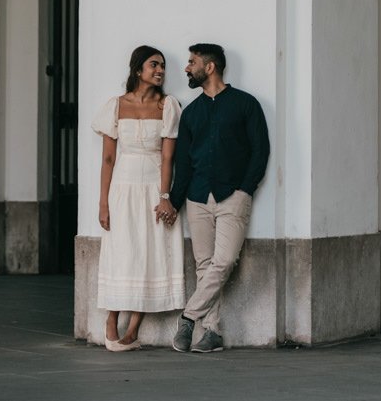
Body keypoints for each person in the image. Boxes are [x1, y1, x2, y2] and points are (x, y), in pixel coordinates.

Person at [169, 42, 270, 354]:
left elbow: (260, 150)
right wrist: (174, 201)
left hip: (233, 196)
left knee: (224, 261)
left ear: (209, 67)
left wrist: (245, 189)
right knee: (204, 264)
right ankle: (211, 331)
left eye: (192, 62)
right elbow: (183, 162)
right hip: (197, 197)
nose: (187, 68)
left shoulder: (245, 104)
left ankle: (187, 317)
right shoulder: (191, 113)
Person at [89, 45, 185, 351]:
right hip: (122, 187)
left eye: (163, 66)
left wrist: (165, 195)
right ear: (137, 69)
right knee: (122, 250)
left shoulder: (167, 105)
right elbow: (107, 159)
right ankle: (110, 319)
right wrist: (103, 202)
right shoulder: (116, 106)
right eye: (154, 65)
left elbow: (169, 158)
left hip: (153, 186)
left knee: (150, 251)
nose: (160, 71)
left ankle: (133, 328)